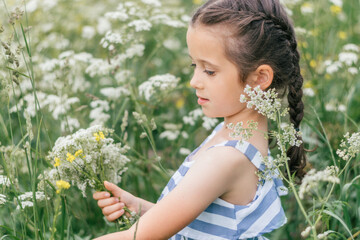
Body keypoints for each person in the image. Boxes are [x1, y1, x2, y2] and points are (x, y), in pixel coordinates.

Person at [93, 0, 307, 239]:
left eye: (209, 71)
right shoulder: (233, 139)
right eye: (194, 65)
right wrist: (141, 208)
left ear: (259, 79)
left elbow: (136, 238)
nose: (194, 81)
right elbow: (204, 229)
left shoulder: (226, 157)